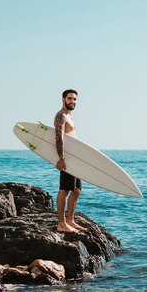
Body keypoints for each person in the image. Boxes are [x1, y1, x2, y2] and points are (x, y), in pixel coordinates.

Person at [54, 89, 86, 233]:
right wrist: (61, 158)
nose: (72, 101)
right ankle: (61, 224)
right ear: (63, 99)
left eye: (74, 99)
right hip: (66, 158)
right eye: (69, 99)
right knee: (64, 190)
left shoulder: (70, 117)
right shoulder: (61, 116)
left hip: (74, 158)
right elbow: (59, 138)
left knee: (77, 190)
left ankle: (70, 220)